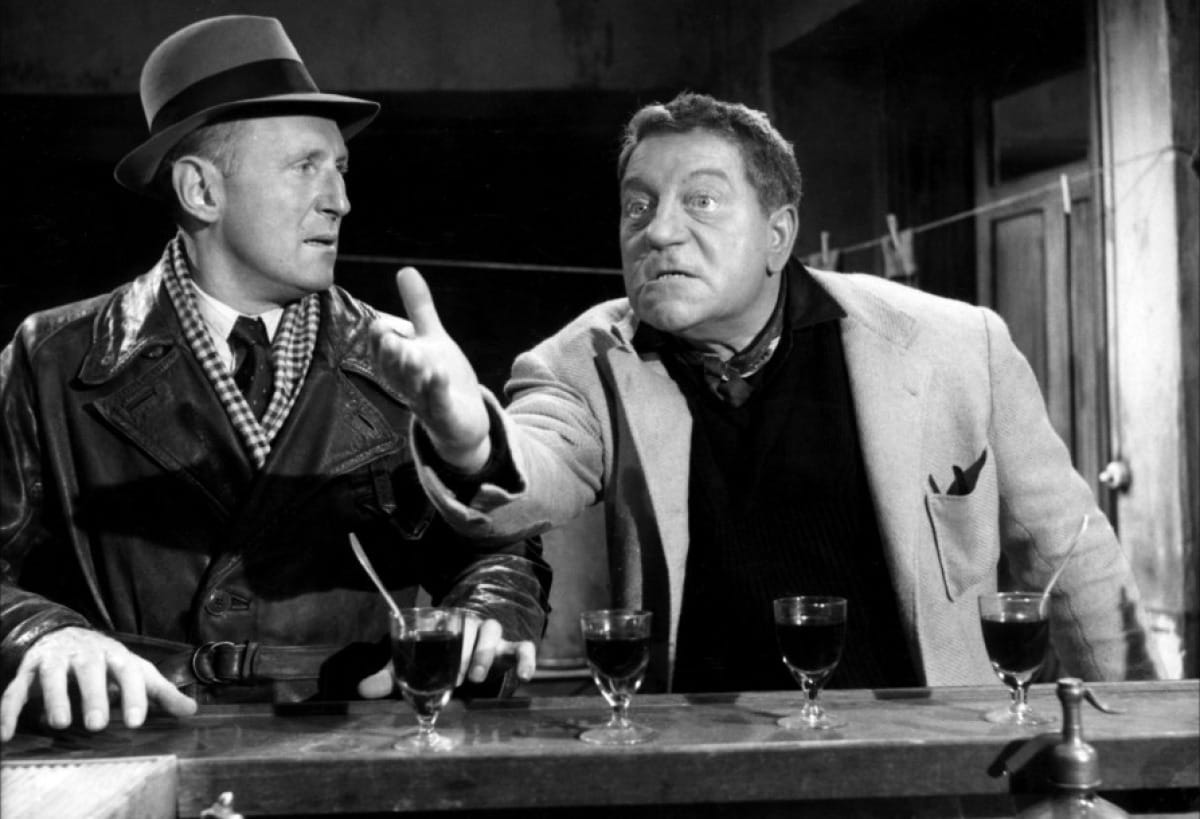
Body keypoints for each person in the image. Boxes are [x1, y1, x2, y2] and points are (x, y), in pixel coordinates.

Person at [378, 92, 1156, 693]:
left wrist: (1147, 760)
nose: (659, 231)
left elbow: (1071, 559)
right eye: (638, 205)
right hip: (703, 769)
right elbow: (532, 470)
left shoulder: (956, 345)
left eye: (701, 201)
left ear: (778, 235)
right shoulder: (585, 360)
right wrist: (466, 438)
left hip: (928, 763)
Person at [0, 15, 549, 742]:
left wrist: (485, 614)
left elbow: (501, 550)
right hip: (134, 744)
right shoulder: (52, 359)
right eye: (305, 167)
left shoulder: (404, 361)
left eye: (340, 167)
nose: (340, 199)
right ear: (200, 190)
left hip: (349, 750)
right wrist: (42, 634)